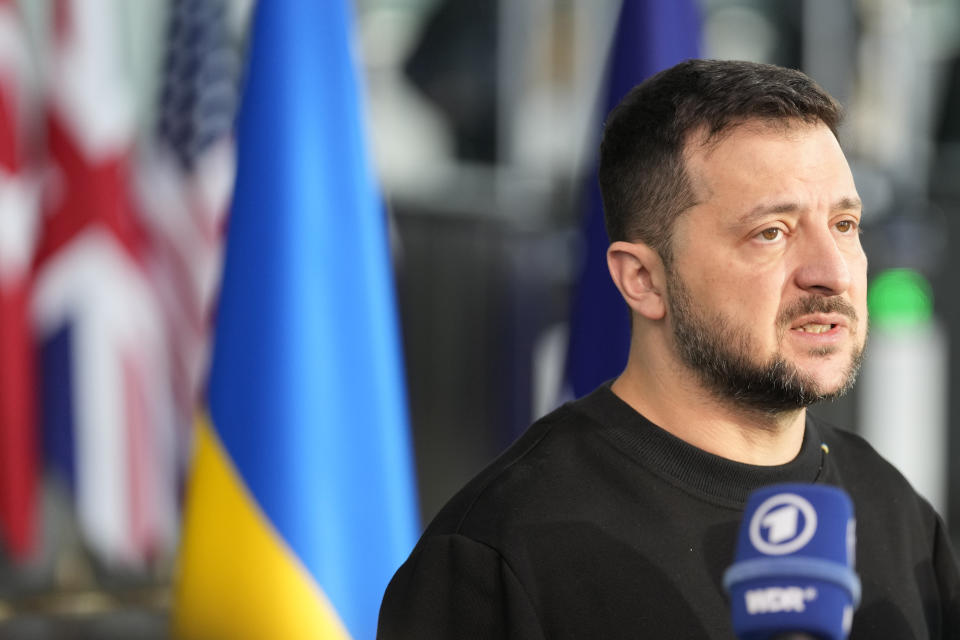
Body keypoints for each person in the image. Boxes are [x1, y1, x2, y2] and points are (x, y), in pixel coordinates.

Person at [377, 59, 960, 638]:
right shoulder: (498, 554)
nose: (831, 272)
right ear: (643, 280)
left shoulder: (897, 517)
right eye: (771, 232)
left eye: (844, 225)